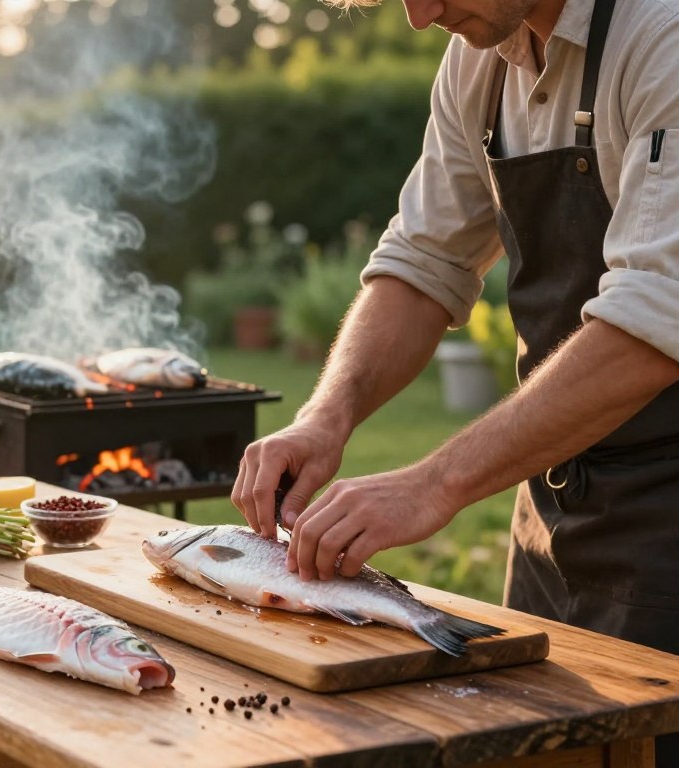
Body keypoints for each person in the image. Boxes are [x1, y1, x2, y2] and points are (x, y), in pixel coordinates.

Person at [231, 0, 679, 764]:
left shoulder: (660, 34)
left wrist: (434, 483)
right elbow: (424, 260)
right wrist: (324, 417)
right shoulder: (485, 55)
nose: (418, 16)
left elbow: (655, 324)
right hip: (553, 515)